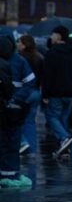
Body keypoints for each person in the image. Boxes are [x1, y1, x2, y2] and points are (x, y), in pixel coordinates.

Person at [42, 26, 72, 157]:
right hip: (71, 92)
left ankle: (64, 138)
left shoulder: (51, 53)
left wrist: (45, 93)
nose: (51, 37)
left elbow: (47, 75)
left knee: (51, 117)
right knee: (63, 119)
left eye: (53, 34)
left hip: (56, 91)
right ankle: (64, 147)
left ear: (59, 36)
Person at [0, 35, 35, 187]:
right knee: (12, 141)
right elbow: (30, 82)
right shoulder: (20, 61)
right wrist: (17, 99)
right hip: (14, 110)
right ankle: (11, 173)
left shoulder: (18, 61)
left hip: (9, 108)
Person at [17, 35, 43, 155]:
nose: (17, 44)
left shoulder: (19, 58)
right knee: (30, 122)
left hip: (24, 92)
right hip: (36, 92)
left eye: (19, 42)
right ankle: (32, 149)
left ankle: (23, 143)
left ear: (24, 44)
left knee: (16, 121)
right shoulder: (39, 57)